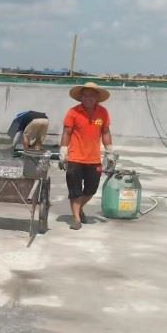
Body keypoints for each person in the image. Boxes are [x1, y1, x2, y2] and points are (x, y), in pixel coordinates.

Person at [59, 82, 114, 230]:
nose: (88, 98)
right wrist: (63, 150)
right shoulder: (73, 112)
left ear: (97, 98)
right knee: (75, 191)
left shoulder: (103, 112)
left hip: (94, 159)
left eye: (91, 96)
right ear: (81, 97)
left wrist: (110, 151)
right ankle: (76, 219)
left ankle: (79, 208)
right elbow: (67, 132)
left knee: (91, 189)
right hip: (74, 158)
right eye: (85, 95)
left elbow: (105, 132)